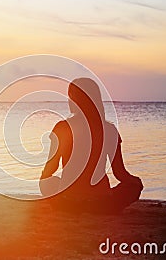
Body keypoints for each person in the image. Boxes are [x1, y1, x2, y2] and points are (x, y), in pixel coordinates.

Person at [39, 78, 143, 213]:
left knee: (46, 181)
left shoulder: (62, 128)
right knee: (134, 186)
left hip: (69, 200)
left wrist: (50, 180)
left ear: (74, 100)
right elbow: (120, 174)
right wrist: (136, 181)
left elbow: (50, 170)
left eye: (70, 96)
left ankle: (75, 207)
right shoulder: (109, 130)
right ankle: (99, 208)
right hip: (101, 200)